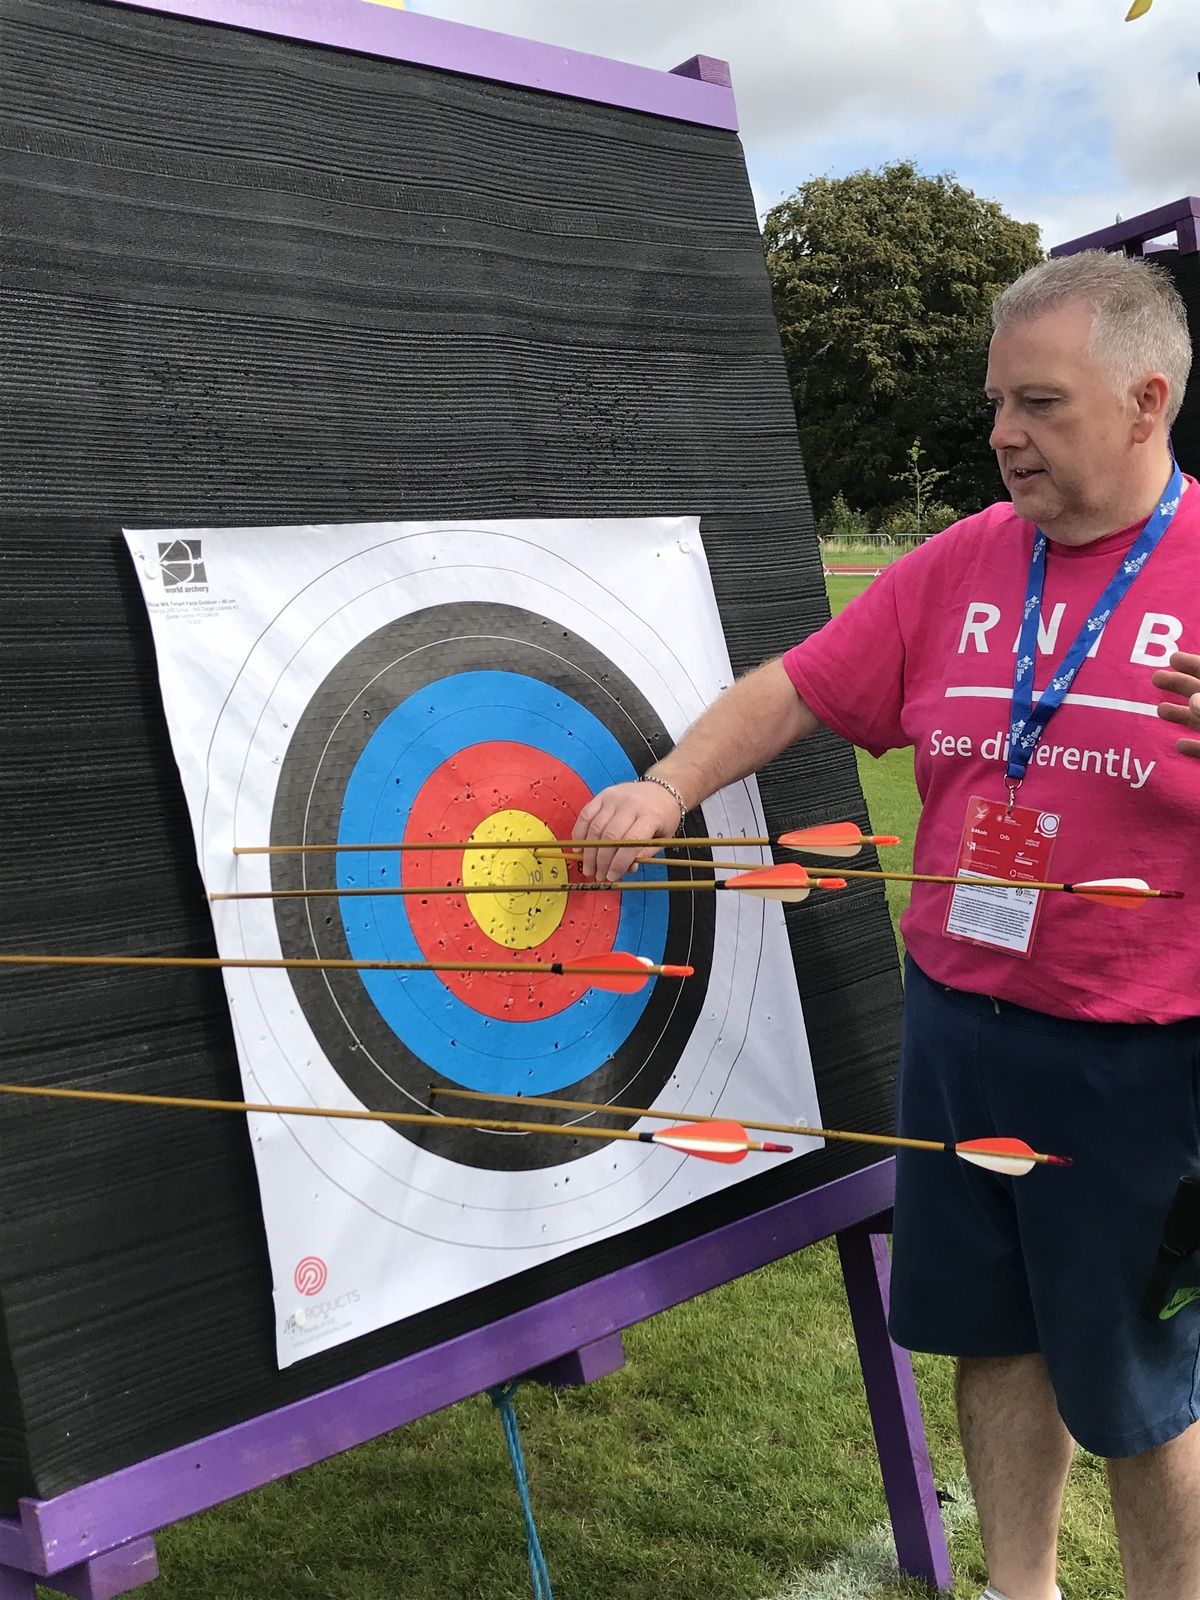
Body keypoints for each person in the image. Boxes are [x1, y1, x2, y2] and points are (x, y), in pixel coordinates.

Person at [574, 250, 1199, 1600]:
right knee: (995, 1334)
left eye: (1037, 404)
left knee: (1142, 1390)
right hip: (961, 1026)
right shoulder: (958, 564)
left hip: (1140, 1057)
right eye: (995, 402)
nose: (1000, 436)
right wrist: (670, 782)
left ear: (1147, 402)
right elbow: (797, 689)